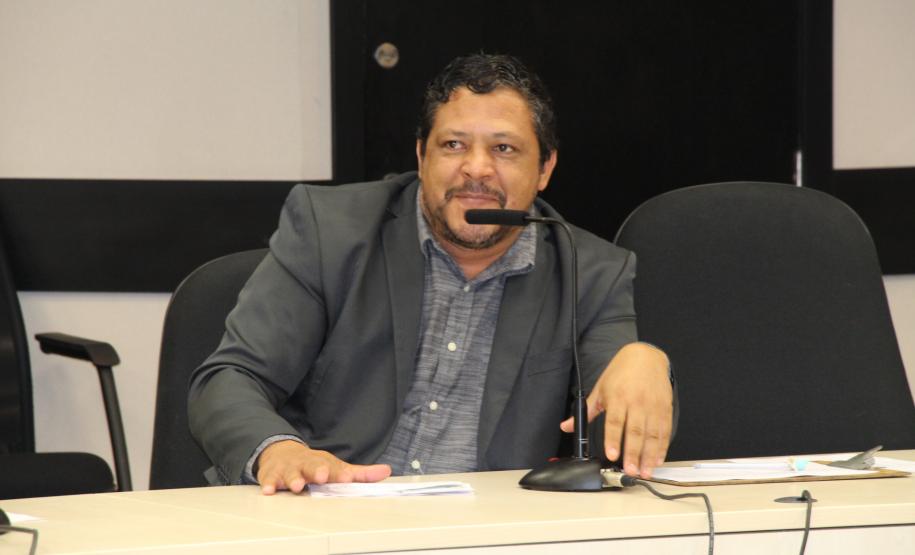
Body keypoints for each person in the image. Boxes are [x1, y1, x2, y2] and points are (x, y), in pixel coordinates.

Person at [188, 53, 676, 495]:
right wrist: (279, 451)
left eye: (504, 149)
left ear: (545, 168)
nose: (476, 169)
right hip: (327, 516)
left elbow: (620, 437)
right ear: (422, 157)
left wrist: (646, 362)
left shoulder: (590, 273)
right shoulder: (330, 232)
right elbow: (229, 379)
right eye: (454, 144)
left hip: (488, 535)